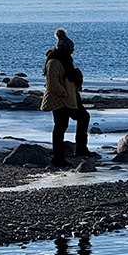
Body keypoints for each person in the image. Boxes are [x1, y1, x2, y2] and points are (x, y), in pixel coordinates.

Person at [41, 28, 92, 167]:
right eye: (71, 50)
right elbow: (52, 83)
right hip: (59, 99)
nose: (72, 52)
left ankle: (79, 149)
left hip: (68, 97)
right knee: (61, 127)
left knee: (82, 118)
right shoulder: (54, 62)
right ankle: (59, 157)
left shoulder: (65, 61)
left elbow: (68, 79)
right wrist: (64, 93)